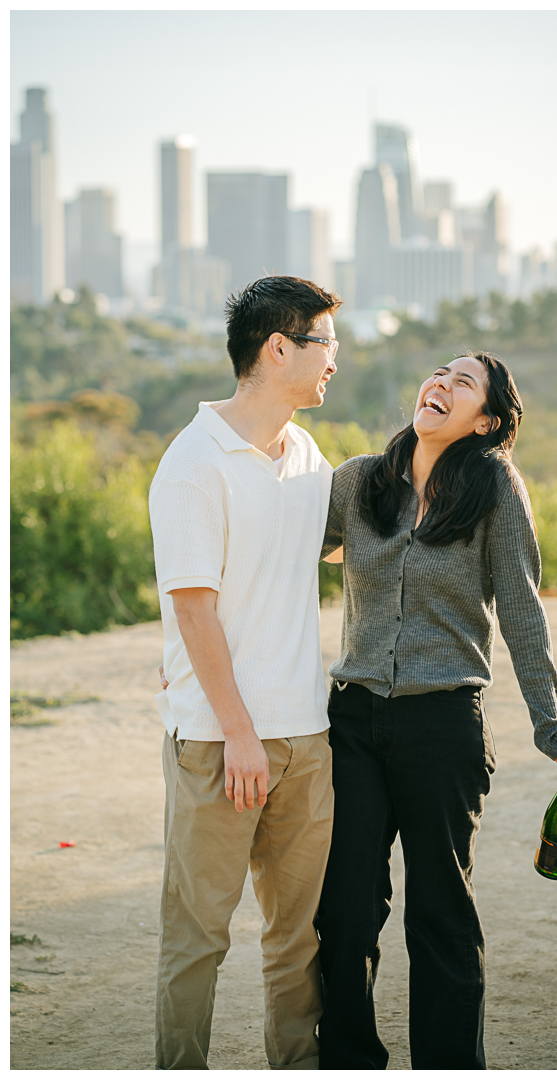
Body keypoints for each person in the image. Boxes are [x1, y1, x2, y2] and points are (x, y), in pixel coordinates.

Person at [316, 351, 557, 1070]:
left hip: (443, 727)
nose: (440, 384)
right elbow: (280, 557)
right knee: (345, 912)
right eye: (438, 373)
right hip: (351, 723)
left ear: (488, 421)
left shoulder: (495, 487)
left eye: (462, 382)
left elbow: (522, 611)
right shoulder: (357, 481)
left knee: (439, 914)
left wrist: (550, 728)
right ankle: (348, 1060)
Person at [149, 275, 342, 1070]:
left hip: (306, 736)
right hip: (220, 745)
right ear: (279, 348)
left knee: (299, 941)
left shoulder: (305, 452)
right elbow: (194, 610)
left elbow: (320, 550)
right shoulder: (194, 463)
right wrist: (238, 734)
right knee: (197, 939)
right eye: (327, 344)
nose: (336, 361)